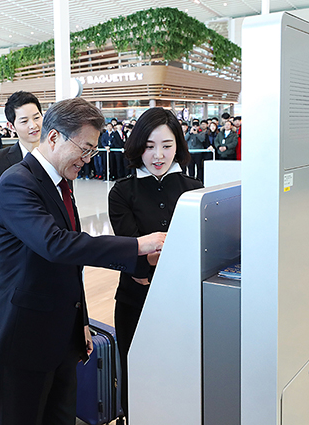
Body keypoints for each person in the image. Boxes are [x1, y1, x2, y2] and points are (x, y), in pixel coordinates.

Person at [0, 98, 166, 425]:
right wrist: (137, 246)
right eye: (85, 148)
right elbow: (56, 245)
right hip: (24, 340)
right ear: (54, 137)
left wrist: (80, 321)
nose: (88, 159)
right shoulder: (17, 182)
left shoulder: (61, 184)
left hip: (61, 337)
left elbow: (71, 263)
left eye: (93, 151)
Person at [108, 107, 202, 418]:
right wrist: (150, 259)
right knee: (137, 377)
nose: (158, 155)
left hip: (183, 303)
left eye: (166, 145)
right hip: (136, 303)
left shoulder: (194, 191)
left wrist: (152, 257)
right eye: (149, 146)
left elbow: (199, 251)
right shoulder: (122, 191)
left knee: (180, 376)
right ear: (137, 147)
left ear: (179, 146)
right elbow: (132, 254)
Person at [0, 90, 43, 274]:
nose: (33, 125)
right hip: (10, 258)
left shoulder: (57, 158)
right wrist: (17, 229)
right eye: (24, 121)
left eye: (37, 117)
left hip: (49, 256)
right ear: (11, 126)